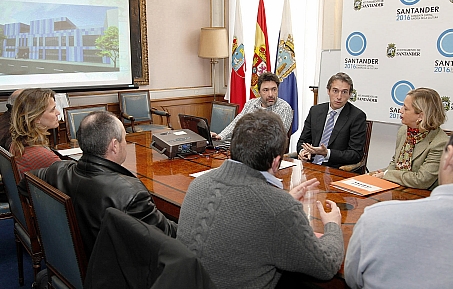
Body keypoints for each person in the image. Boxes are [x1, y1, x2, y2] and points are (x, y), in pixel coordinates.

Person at [177, 110, 344, 289]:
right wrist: (332, 226)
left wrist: (281, 202)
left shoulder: (199, 183)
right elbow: (325, 267)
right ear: (276, 161)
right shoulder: (279, 208)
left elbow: (244, 211)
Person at [21, 111, 177, 258]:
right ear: (114, 145)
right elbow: (167, 237)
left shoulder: (57, 170)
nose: (125, 142)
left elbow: (24, 184)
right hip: (114, 272)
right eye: (124, 138)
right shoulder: (130, 193)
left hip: (73, 261)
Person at [344, 134, 453, 289]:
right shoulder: (405, 132)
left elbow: (352, 279)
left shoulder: (376, 218)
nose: (401, 112)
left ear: (449, 157)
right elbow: (394, 164)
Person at [371, 87, 448, 190]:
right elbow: (395, 163)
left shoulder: (440, 143)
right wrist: (380, 173)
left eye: (406, 109)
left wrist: (387, 174)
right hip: (398, 190)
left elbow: (422, 180)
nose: (400, 110)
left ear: (420, 116)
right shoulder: (404, 130)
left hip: (422, 196)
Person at [296, 72, 366, 169]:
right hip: (310, 166)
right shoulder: (315, 111)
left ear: (350, 94)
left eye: (344, 92)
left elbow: (355, 154)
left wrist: (327, 153)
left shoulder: (357, 116)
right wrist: (303, 152)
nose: (339, 97)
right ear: (328, 91)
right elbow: (303, 141)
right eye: (335, 91)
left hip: (335, 169)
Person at [212, 72, 293, 140]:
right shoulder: (250, 104)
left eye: (274, 89)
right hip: (246, 148)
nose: (270, 94)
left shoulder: (284, 108)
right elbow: (236, 123)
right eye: (266, 90)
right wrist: (220, 136)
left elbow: (277, 137)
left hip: (269, 153)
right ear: (259, 92)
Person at [10, 88, 61, 177]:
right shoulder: (43, 156)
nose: (58, 113)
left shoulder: (16, 144)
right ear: (36, 118)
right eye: (52, 110)